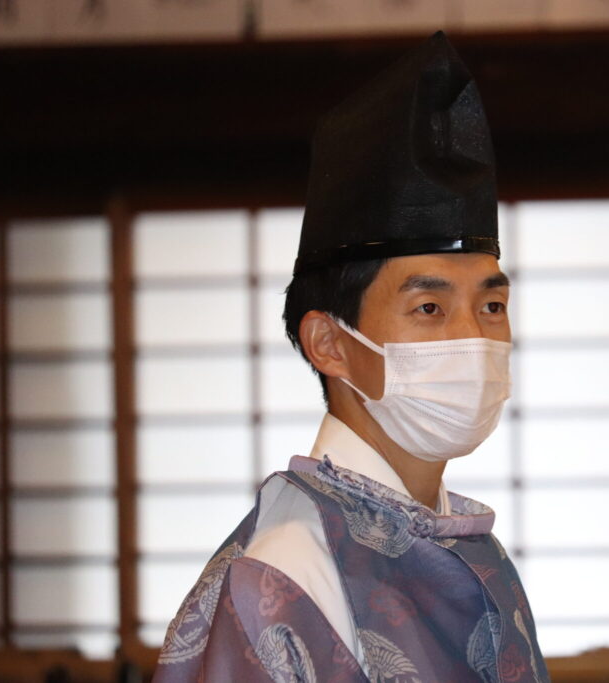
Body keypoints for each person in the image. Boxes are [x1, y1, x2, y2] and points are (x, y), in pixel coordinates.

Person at [153, 31, 549, 683]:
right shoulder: (283, 577)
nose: (473, 337)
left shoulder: (482, 554)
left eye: (491, 305)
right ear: (330, 344)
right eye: (429, 307)